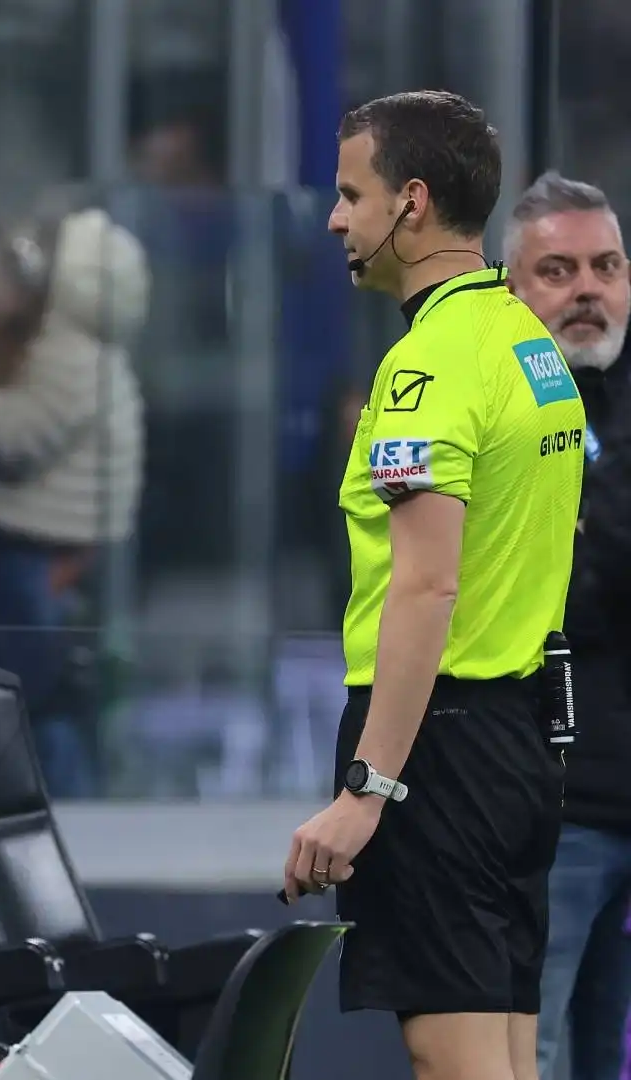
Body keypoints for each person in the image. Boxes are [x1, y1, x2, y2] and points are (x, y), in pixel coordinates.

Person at [283, 91, 584, 1080]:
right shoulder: (526, 342)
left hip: (438, 748)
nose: (337, 219)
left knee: (455, 1060)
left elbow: (425, 587)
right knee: (507, 1056)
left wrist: (367, 789)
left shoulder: (428, 369)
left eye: (351, 194)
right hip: (515, 742)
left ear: (410, 203)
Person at [0, 206, 148, 797]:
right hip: (28, 544)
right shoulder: (73, 350)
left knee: (39, 695)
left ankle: (68, 802)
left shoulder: (71, 354)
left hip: (33, 548)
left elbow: (16, 438)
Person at [504, 171, 631, 1080]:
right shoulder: (494, 410)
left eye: (606, 266)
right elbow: (545, 599)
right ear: (512, 289)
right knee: (532, 1054)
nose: (587, 289)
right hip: (551, 808)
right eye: (559, 271)